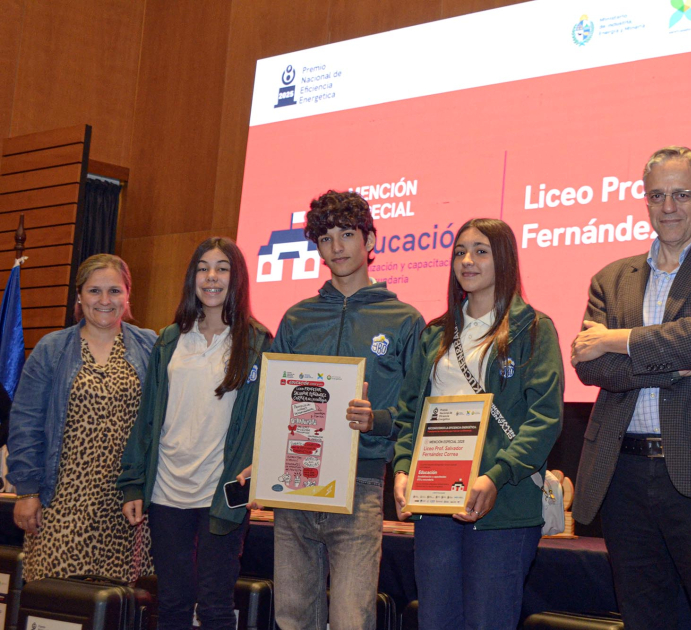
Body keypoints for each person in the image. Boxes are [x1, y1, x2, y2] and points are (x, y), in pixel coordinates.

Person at [570, 146, 691, 629]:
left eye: (682, 194)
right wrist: (676, 365)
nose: (669, 206)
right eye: (657, 195)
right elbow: (594, 370)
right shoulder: (611, 278)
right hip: (624, 476)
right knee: (644, 617)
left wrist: (618, 341)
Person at [256, 190, 423, 630]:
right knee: (292, 616)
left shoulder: (403, 319)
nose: (337, 247)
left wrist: (378, 420)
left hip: (361, 484)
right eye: (326, 239)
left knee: (352, 618)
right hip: (293, 484)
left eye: (347, 234)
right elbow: (272, 404)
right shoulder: (296, 319)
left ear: (370, 240)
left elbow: (417, 407)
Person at [392, 218, 564, 630]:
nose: (467, 261)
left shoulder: (533, 329)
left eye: (481, 250)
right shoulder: (435, 334)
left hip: (503, 503)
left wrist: (496, 476)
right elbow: (408, 412)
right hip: (434, 503)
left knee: (488, 621)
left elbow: (545, 417)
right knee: (435, 621)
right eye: (460, 251)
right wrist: (401, 470)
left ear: (503, 259)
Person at [117, 237, 271, 630]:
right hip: (166, 490)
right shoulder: (170, 339)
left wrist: (263, 468)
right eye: (203, 267)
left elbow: (269, 417)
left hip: (223, 493)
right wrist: (135, 484)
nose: (212, 276)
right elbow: (147, 419)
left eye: (222, 268)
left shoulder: (256, 342)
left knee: (217, 605)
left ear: (236, 278)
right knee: (172, 603)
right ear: (193, 278)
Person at [6, 254, 157, 582]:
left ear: (128, 295)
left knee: (119, 604)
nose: (105, 300)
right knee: (60, 604)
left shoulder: (150, 346)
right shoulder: (52, 349)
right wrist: (28, 492)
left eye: (114, 291)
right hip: (61, 502)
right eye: (94, 291)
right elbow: (25, 422)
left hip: (128, 505)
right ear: (79, 296)